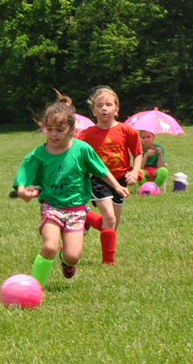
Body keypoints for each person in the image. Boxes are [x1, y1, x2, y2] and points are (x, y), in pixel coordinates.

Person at [13, 91, 129, 287]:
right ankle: (35, 287)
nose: (53, 134)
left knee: (73, 255)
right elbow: (25, 173)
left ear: (72, 129)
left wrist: (116, 185)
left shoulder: (82, 150)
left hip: (76, 209)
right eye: (49, 129)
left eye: (59, 129)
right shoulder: (40, 153)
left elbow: (101, 170)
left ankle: (68, 264)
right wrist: (22, 190)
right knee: (49, 245)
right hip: (51, 206)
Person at [75, 86, 142, 265]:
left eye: (109, 104)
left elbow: (138, 152)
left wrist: (134, 171)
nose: (104, 108)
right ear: (93, 111)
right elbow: (73, 150)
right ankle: (108, 263)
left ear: (116, 110)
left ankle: (87, 217)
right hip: (98, 180)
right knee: (109, 219)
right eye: (99, 105)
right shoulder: (87, 134)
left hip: (120, 181)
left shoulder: (126, 131)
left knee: (112, 225)